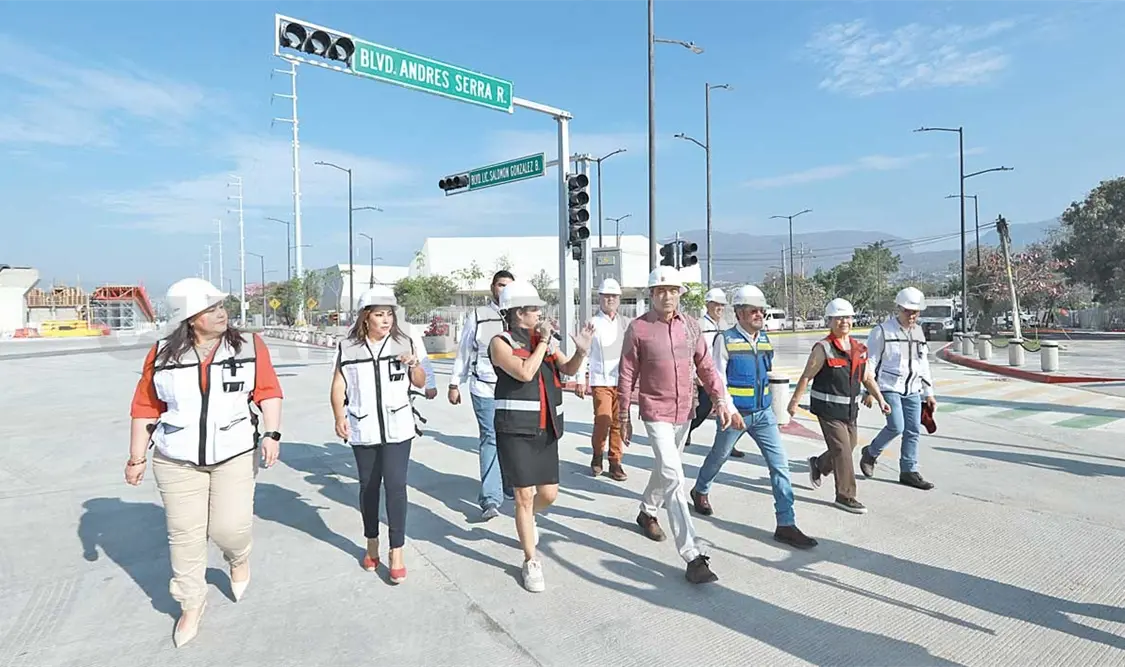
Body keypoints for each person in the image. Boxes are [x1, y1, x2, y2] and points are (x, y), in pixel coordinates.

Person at [126, 278, 283, 648]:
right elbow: (146, 407)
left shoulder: (249, 346)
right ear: (190, 318)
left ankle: (238, 557)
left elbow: (268, 391)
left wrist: (272, 433)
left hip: (235, 454)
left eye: (220, 306)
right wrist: (136, 458)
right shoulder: (162, 353)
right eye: (211, 308)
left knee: (230, 528)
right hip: (176, 459)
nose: (221, 313)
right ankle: (191, 603)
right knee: (185, 535)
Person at [617, 266, 732, 584]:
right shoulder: (638, 329)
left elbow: (706, 366)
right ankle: (693, 555)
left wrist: (720, 399)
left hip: (685, 412)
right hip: (655, 411)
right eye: (660, 291)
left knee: (665, 470)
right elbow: (627, 373)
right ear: (651, 295)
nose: (667, 296)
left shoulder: (691, 327)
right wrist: (623, 415)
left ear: (680, 294)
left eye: (672, 290)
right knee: (673, 476)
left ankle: (646, 511)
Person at [690, 285, 817, 549]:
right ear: (739, 313)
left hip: (763, 415)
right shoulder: (724, 340)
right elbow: (718, 379)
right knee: (719, 455)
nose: (759, 314)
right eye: (753, 310)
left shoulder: (765, 339)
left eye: (761, 310)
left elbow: (766, 373)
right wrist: (730, 410)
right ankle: (700, 489)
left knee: (779, 465)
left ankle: (786, 524)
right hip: (736, 415)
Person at [488, 280, 593, 592]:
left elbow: (569, 370)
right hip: (515, 431)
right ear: (519, 313)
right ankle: (530, 559)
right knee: (524, 495)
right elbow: (524, 372)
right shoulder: (500, 342)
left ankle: (525, 519)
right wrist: (543, 343)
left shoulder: (544, 341)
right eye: (534, 309)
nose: (539, 314)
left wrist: (581, 351)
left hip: (546, 428)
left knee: (548, 494)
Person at [331, 286, 427, 584]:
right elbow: (338, 384)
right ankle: (372, 541)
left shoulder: (404, 342)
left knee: (396, 485)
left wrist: (414, 364)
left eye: (389, 315)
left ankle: (396, 550)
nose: (385, 320)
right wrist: (338, 416)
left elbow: (421, 381)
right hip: (364, 426)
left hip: (398, 427)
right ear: (365, 317)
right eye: (379, 315)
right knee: (369, 487)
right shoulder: (348, 347)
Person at [788, 298, 891, 515]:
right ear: (830, 321)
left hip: (850, 411)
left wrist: (880, 400)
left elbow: (867, 378)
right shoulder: (823, 348)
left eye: (847, 317)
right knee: (843, 450)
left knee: (848, 446)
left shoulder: (858, 349)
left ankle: (819, 464)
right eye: (839, 318)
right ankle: (846, 495)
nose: (844, 321)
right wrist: (794, 402)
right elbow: (807, 376)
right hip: (828, 411)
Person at [449, 270, 515, 520]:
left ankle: (508, 484)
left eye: (509, 286)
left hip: (512, 390)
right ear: (492, 287)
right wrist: (455, 383)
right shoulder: (478, 316)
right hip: (484, 387)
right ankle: (490, 498)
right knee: (490, 438)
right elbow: (465, 350)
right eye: (500, 285)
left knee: (509, 439)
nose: (504, 290)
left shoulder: (518, 315)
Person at [859, 287, 937, 490]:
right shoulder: (882, 331)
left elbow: (923, 363)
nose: (912, 315)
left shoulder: (918, 332)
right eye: (908, 311)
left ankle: (908, 471)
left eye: (916, 312)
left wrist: (929, 393)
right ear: (898, 308)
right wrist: (868, 390)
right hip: (888, 386)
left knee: (913, 431)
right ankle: (871, 453)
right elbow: (871, 362)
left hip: (912, 388)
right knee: (896, 426)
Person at [577, 278, 629, 480]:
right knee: (603, 420)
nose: (610, 299)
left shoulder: (625, 323)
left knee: (618, 422)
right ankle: (597, 454)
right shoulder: (593, 322)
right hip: (601, 380)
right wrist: (580, 378)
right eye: (607, 296)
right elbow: (583, 351)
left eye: (614, 296)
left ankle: (615, 461)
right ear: (600, 298)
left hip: (621, 380)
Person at [687, 288, 745, 457]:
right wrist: (696, 375)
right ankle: (688, 429)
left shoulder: (725, 326)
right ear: (708, 305)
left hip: (725, 373)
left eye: (721, 305)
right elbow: (693, 351)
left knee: (728, 407)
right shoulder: (700, 325)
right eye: (716, 304)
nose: (719, 308)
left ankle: (728, 443)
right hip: (706, 375)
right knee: (704, 408)